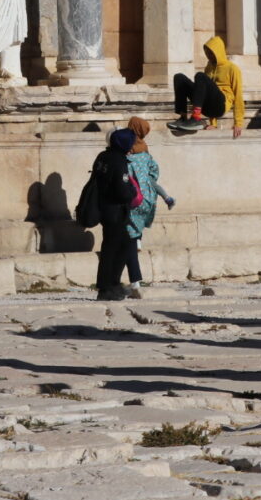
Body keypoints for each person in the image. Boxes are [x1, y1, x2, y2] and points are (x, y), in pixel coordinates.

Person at [123, 116, 175, 296]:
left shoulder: (126, 152)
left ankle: (133, 281)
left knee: (129, 236)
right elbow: (154, 173)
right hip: (148, 198)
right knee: (137, 227)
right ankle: (167, 198)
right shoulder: (145, 153)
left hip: (132, 200)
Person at [92, 127, 139, 301]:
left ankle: (112, 285)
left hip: (105, 208)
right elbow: (122, 191)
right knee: (114, 249)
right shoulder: (118, 161)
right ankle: (107, 288)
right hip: (115, 211)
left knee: (118, 247)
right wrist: (133, 192)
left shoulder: (103, 157)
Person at [171, 36, 244, 137]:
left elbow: (238, 95)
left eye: (211, 52)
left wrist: (238, 123)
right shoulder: (209, 67)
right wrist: (213, 124)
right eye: (207, 52)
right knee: (179, 77)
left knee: (200, 76)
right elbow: (205, 92)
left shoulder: (232, 69)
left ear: (218, 52)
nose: (208, 55)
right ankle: (183, 117)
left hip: (220, 105)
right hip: (207, 107)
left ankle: (196, 118)